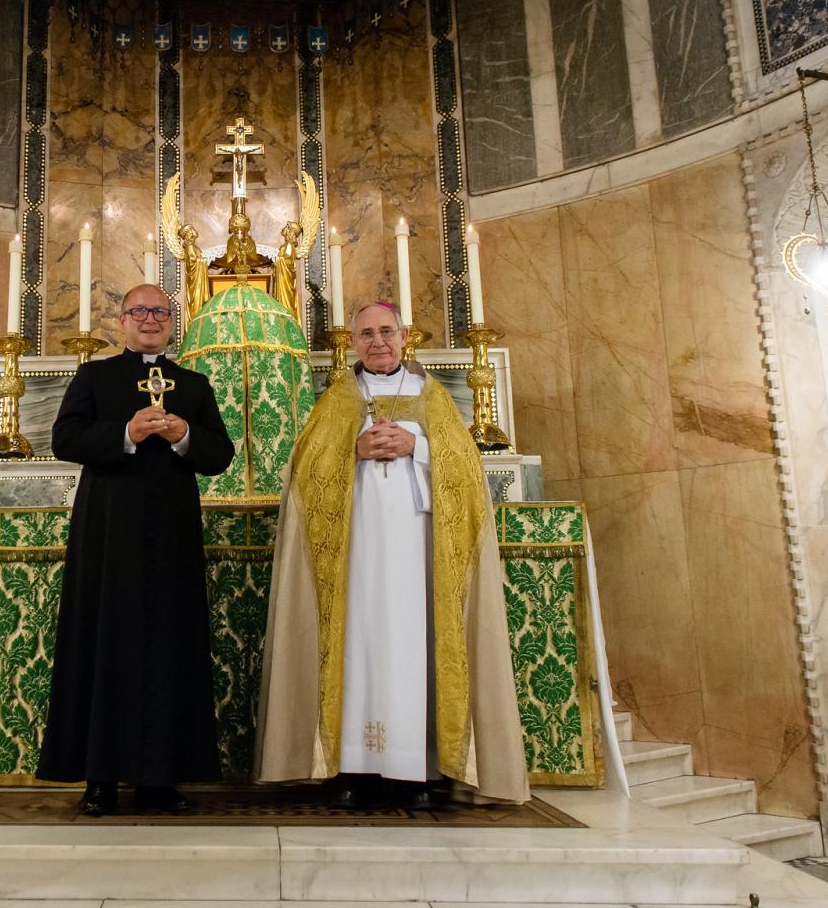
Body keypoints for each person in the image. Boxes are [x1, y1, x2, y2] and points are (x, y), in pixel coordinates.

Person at [254, 302, 530, 809]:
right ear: (353, 343)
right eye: (366, 334)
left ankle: (417, 768)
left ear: (404, 336)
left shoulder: (432, 397)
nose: (377, 342)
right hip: (354, 556)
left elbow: (467, 471)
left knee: (414, 646)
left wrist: (417, 444)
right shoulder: (337, 399)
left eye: (386, 331)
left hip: (417, 553)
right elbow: (305, 472)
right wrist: (349, 451)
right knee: (357, 645)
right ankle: (352, 766)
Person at [36, 283, 236, 815]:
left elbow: (219, 454)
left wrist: (184, 434)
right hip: (107, 536)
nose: (150, 319)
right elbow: (65, 439)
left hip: (172, 539)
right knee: (104, 644)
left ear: (173, 322)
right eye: (139, 311)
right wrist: (125, 433)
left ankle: (160, 780)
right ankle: (98, 778)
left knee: (169, 646)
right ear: (122, 320)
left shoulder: (193, 384)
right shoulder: (96, 376)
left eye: (160, 312)